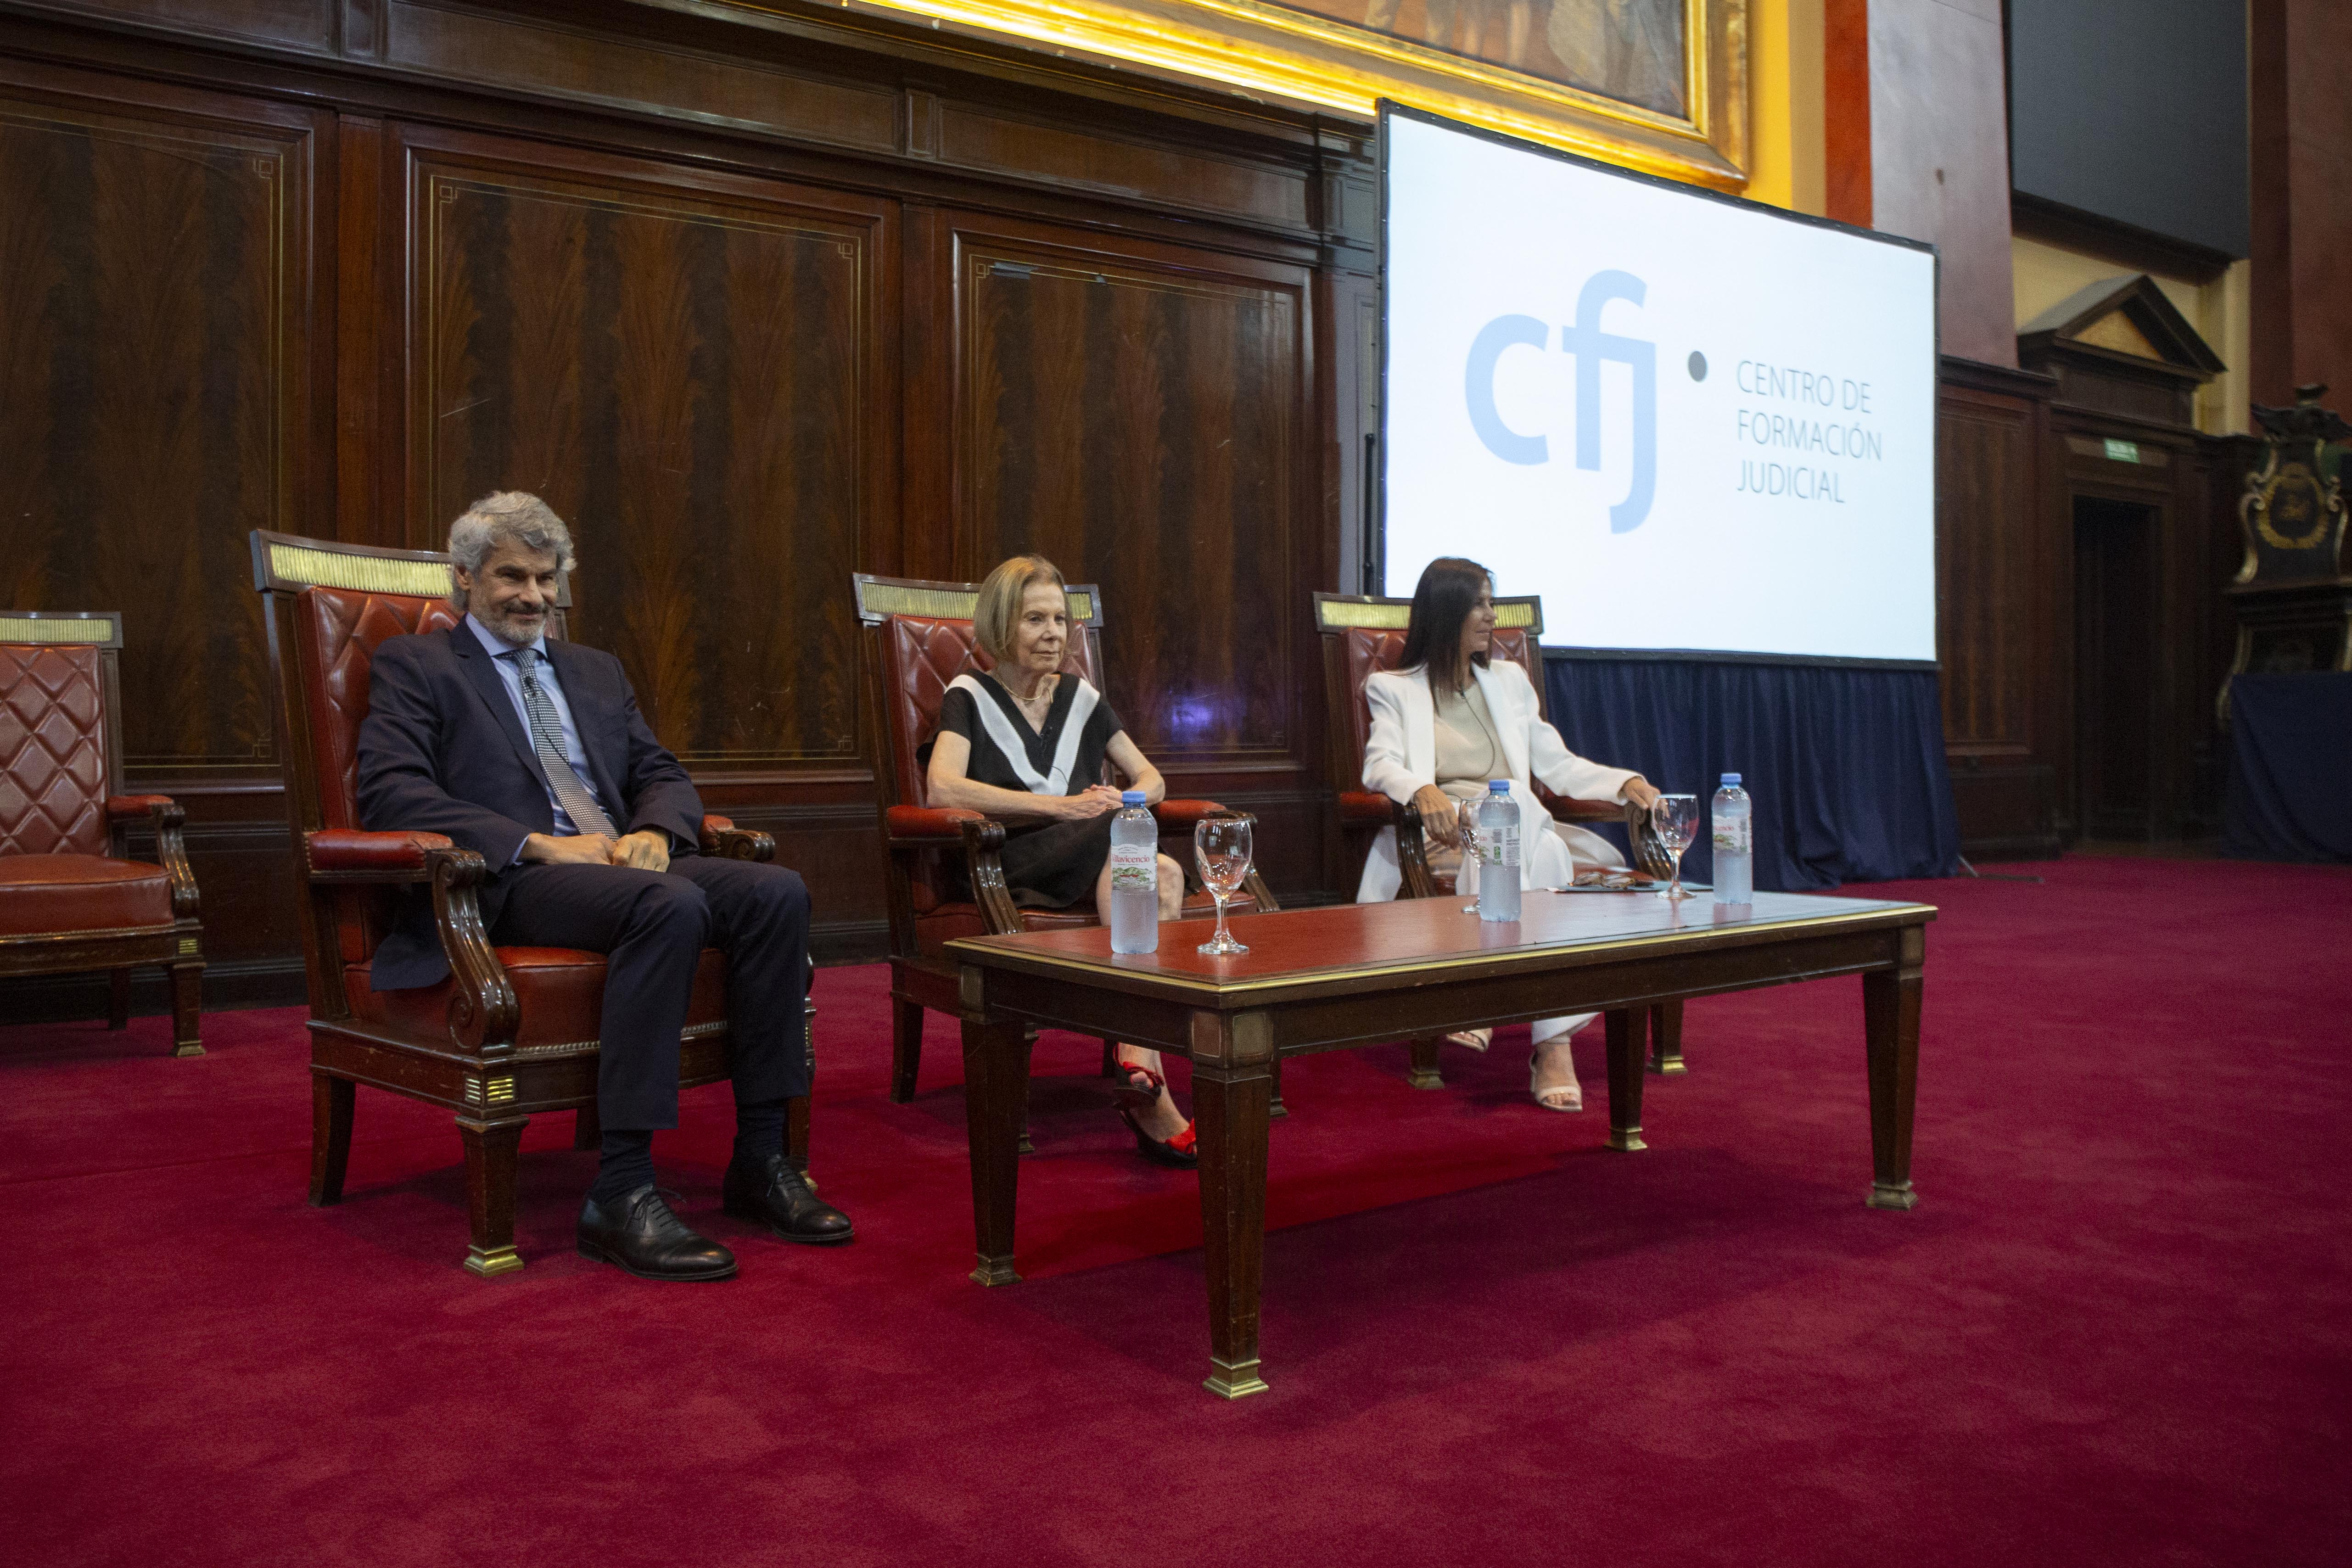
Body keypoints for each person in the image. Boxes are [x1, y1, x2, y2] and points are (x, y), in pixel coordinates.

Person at [357, 491, 851, 1282]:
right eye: (512, 576)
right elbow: (392, 793)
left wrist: (655, 831)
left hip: (623, 865)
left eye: (546, 579)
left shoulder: (593, 669)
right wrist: (541, 845)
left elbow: (658, 771)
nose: (533, 596)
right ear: (464, 577)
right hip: (510, 881)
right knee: (670, 905)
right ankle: (620, 1192)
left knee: (776, 893)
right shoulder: (418, 664)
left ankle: (762, 1160)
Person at [920, 555, 1198, 1168]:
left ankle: (1142, 1068)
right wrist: (1059, 807)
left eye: (1060, 620)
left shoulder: (1081, 698)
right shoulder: (969, 696)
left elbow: (1150, 777)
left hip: (1094, 857)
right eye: (1035, 620)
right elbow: (943, 788)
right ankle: (1146, 1067)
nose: (1054, 633)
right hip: (1015, 861)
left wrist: (1118, 799)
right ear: (1000, 627)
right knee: (1142, 854)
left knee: (1160, 871)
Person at [1356, 557, 1662, 1111]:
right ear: (1447, 610)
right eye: (1480, 603)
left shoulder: (1510, 682)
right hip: (1448, 833)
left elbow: (1559, 765)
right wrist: (1424, 792)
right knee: (1525, 826)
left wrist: (1625, 782)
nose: (1492, 616)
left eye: (1492, 603)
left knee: (1517, 809)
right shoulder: (1393, 687)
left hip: (1511, 829)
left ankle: (1488, 1007)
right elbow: (1378, 766)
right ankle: (1554, 1047)